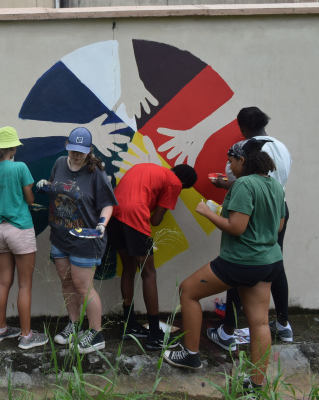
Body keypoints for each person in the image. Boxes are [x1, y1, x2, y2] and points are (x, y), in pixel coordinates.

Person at [164, 139, 285, 391]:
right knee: (260, 323)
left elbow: (237, 227)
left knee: (188, 291)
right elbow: (278, 225)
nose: (228, 166)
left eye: (231, 161)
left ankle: (190, 353)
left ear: (243, 160)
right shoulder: (275, 185)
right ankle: (255, 385)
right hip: (269, 260)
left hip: (240, 260)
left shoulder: (244, 184)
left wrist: (207, 213)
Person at [210, 107, 293, 347]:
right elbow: (270, 183)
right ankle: (284, 325)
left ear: (242, 128)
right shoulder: (282, 147)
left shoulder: (246, 149)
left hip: (251, 212)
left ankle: (228, 330)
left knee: (239, 263)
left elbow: (243, 185)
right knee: (274, 263)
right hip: (279, 209)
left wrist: (221, 184)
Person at [36, 127, 117, 354]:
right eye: (73, 150)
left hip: (85, 238)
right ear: (67, 146)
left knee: (83, 287)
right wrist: (46, 185)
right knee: (67, 283)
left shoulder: (96, 172)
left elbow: (108, 203)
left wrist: (102, 224)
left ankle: (96, 333)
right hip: (60, 236)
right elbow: (58, 188)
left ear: (89, 150)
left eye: (81, 151)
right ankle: (74, 325)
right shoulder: (60, 163)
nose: (76, 155)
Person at [109, 162, 197, 349]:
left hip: (113, 214)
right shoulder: (174, 183)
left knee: (129, 268)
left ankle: (129, 325)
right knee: (149, 273)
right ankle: (155, 334)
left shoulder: (147, 168)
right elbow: (156, 220)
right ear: (183, 184)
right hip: (134, 216)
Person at [0, 127, 47, 350]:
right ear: (12, 147)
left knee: (3, 281)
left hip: (0, 230)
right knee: (25, 285)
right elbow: (29, 199)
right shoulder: (20, 167)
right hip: (20, 228)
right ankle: (26, 336)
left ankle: (0, 329)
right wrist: (23, 199)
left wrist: (4, 203)